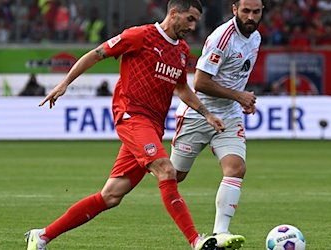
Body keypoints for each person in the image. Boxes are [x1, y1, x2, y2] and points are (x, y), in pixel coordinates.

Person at [25, 1, 227, 250]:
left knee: (110, 196)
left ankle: (41, 236)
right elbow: (97, 53)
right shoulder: (140, 36)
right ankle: (196, 241)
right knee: (166, 170)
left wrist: (206, 113)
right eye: (190, 19)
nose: (193, 26)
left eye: (196, 21)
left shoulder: (182, 51)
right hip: (131, 116)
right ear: (174, 13)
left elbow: (182, 88)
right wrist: (65, 82)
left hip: (152, 127)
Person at [170, 0, 263, 249]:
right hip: (197, 115)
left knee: (236, 168)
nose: (251, 17)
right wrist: (239, 96)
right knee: (173, 177)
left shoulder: (255, 38)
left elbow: (236, 76)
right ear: (234, 10)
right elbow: (199, 83)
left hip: (229, 116)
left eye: (256, 11)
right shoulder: (222, 38)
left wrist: (241, 100)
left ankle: (220, 233)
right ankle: (141, 159)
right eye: (246, 11)